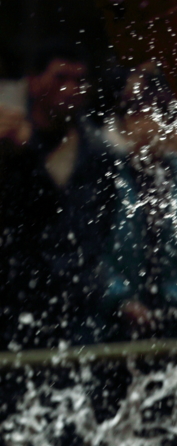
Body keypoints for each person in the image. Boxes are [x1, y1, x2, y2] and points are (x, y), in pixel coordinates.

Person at [0, 43, 117, 348]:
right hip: (14, 299)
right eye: (61, 78)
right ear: (34, 81)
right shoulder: (10, 139)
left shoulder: (99, 153)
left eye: (80, 81)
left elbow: (107, 226)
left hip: (78, 302)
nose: (71, 89)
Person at [99, 66, 177, 340]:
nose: (145, 124)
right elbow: (95, 248)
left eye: (153, 113)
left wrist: (175, 298)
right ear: (122, 125)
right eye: (135, 113)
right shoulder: (107, 177)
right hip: (115, 323)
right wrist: (121, 300)